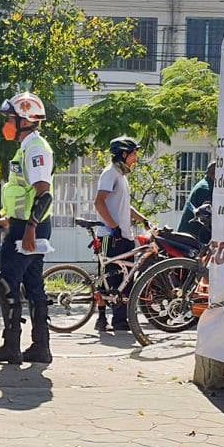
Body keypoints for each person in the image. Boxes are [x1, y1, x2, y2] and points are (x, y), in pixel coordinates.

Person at [0, 92, 54, 364]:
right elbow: (25, 193)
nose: (6, 124)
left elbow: (43, 193)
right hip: (25, 225)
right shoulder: (27, 147)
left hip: (29, 229)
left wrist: (29, 229)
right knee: (33, 284)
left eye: (9, 118)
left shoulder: (36, 148)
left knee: (7, 283)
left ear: (24, 120)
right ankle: (40, 346)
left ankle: (11, 346)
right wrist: (10, 220)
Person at [93, 135, 147, 333]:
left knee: (126, 278)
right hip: (110, 235)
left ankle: (120, 321)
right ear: (123, 154)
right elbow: (99, 202)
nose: (136, 157)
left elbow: (125, 205)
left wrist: (143, 219)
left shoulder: (121, 176)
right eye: (134, 153)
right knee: (110, 279)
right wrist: (113, 227)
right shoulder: (110, 174)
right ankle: (104, 319)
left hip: (124, 235)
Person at [179, 160, 214, 245]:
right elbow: (208, 215)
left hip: (190, 236)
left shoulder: (204, 184)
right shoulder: (206, 188)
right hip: (193, 238)